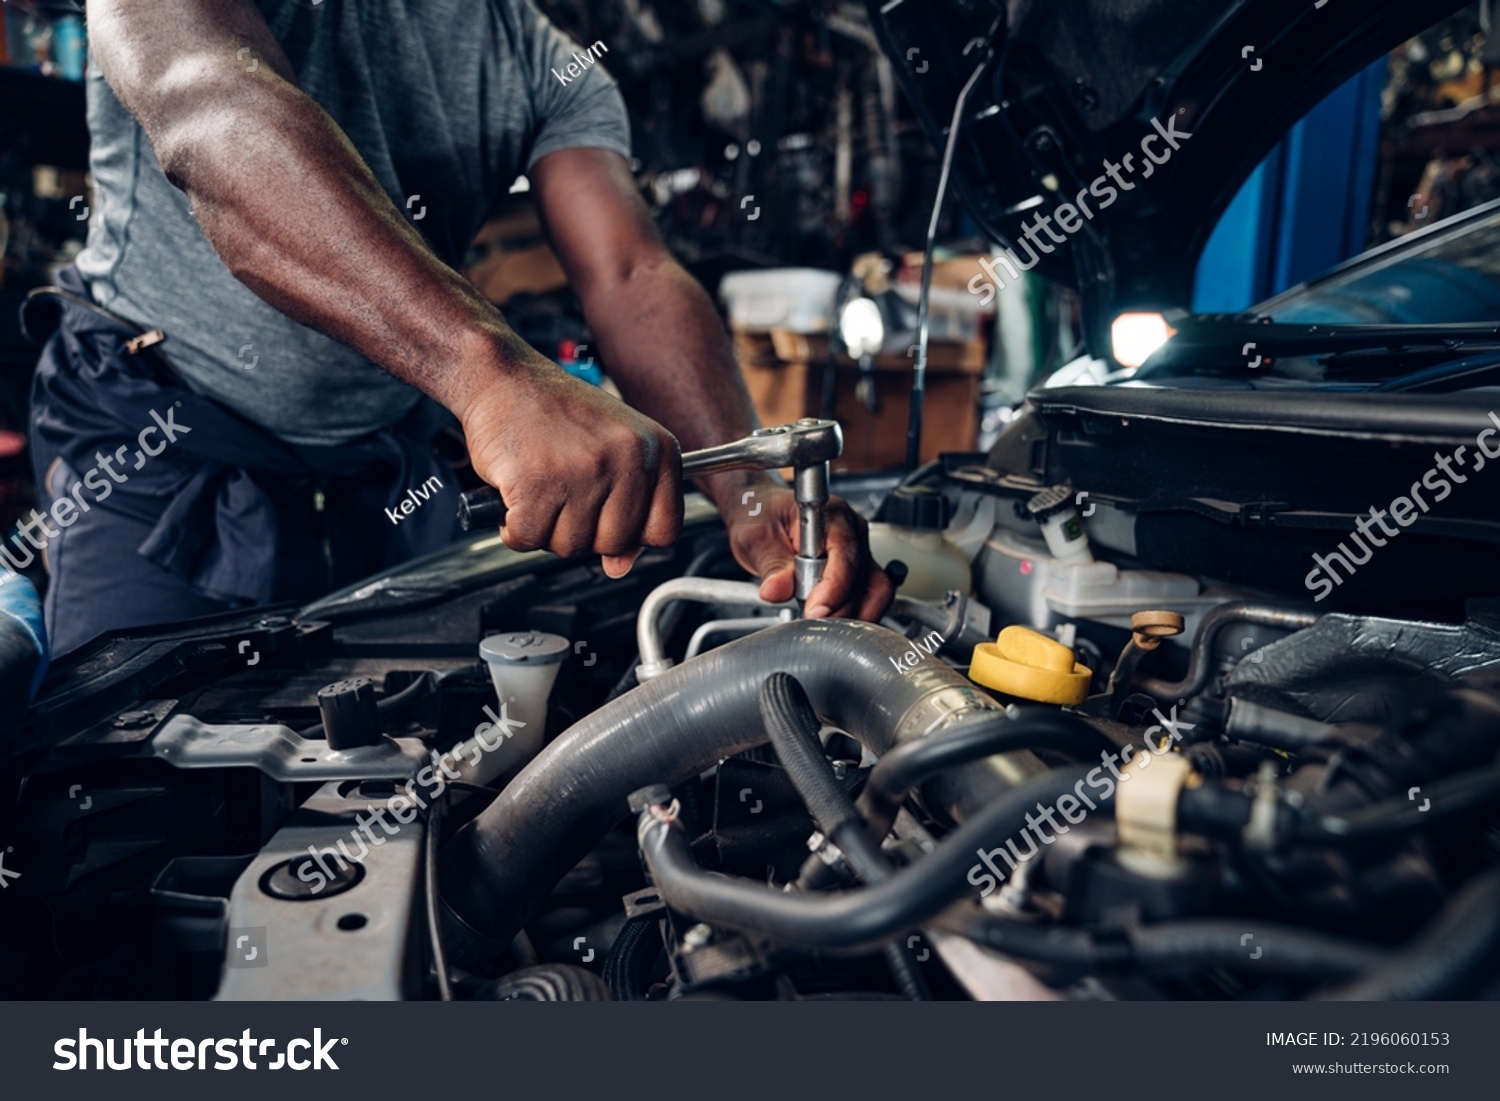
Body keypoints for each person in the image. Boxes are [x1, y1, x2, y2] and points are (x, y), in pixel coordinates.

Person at [24, 0, 892, 655]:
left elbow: (630, 274)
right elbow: (211, 114)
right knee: (119, 812)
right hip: (158, 452)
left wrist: (750, 486)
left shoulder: (539, 61)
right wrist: (492, 373)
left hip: (382, 463)